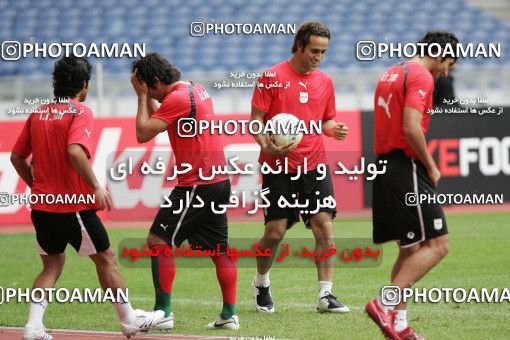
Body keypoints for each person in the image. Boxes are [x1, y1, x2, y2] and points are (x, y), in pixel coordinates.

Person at [10, 56, 164, 340]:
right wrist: (96, 186)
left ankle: (33, 327)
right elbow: (75, 151)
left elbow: (16, 157)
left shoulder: (38, 113)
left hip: (43, 208)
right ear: (84, 84)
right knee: (106, 258)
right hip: (73, 207)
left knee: (52, 265)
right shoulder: (80, 112)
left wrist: (35, 185)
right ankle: (129, 320)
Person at [130, 53, 239, 330]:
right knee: (219, 250)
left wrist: (141, 97)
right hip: (218, 181)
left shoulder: (176, 100)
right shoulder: (193, 88)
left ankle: (163, 313)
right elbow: (164, 110)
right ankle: (229, 315)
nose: (146, 92)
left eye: (147, 86)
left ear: (154, 81)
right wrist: (149, 94)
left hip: (195, 185)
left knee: (158, 240)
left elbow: (143, 133)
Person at [250, 21, 349, 314]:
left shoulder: (325, 82)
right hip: (277, 166)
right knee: (275, 233)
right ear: (299, 46)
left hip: (314, 165)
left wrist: (334, 130)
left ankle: (325, 295)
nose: (318, 57)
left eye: (323, 52)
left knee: (324, 228)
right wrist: (265, 144)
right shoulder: (271, 77)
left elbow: (326, 120)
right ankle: (261, 283)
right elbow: (256, 120)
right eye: (314, 51)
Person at [365, 31, 459, 339]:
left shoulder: (392, 71)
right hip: (405, 166)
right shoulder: (422, 76)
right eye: (449, 63)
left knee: (411, 248)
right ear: (441, 54)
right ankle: (384, 303)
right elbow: (410, 127)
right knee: (439, 244)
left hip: (384, 165)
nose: (447, 71)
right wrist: (430, 165)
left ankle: (400, 324)